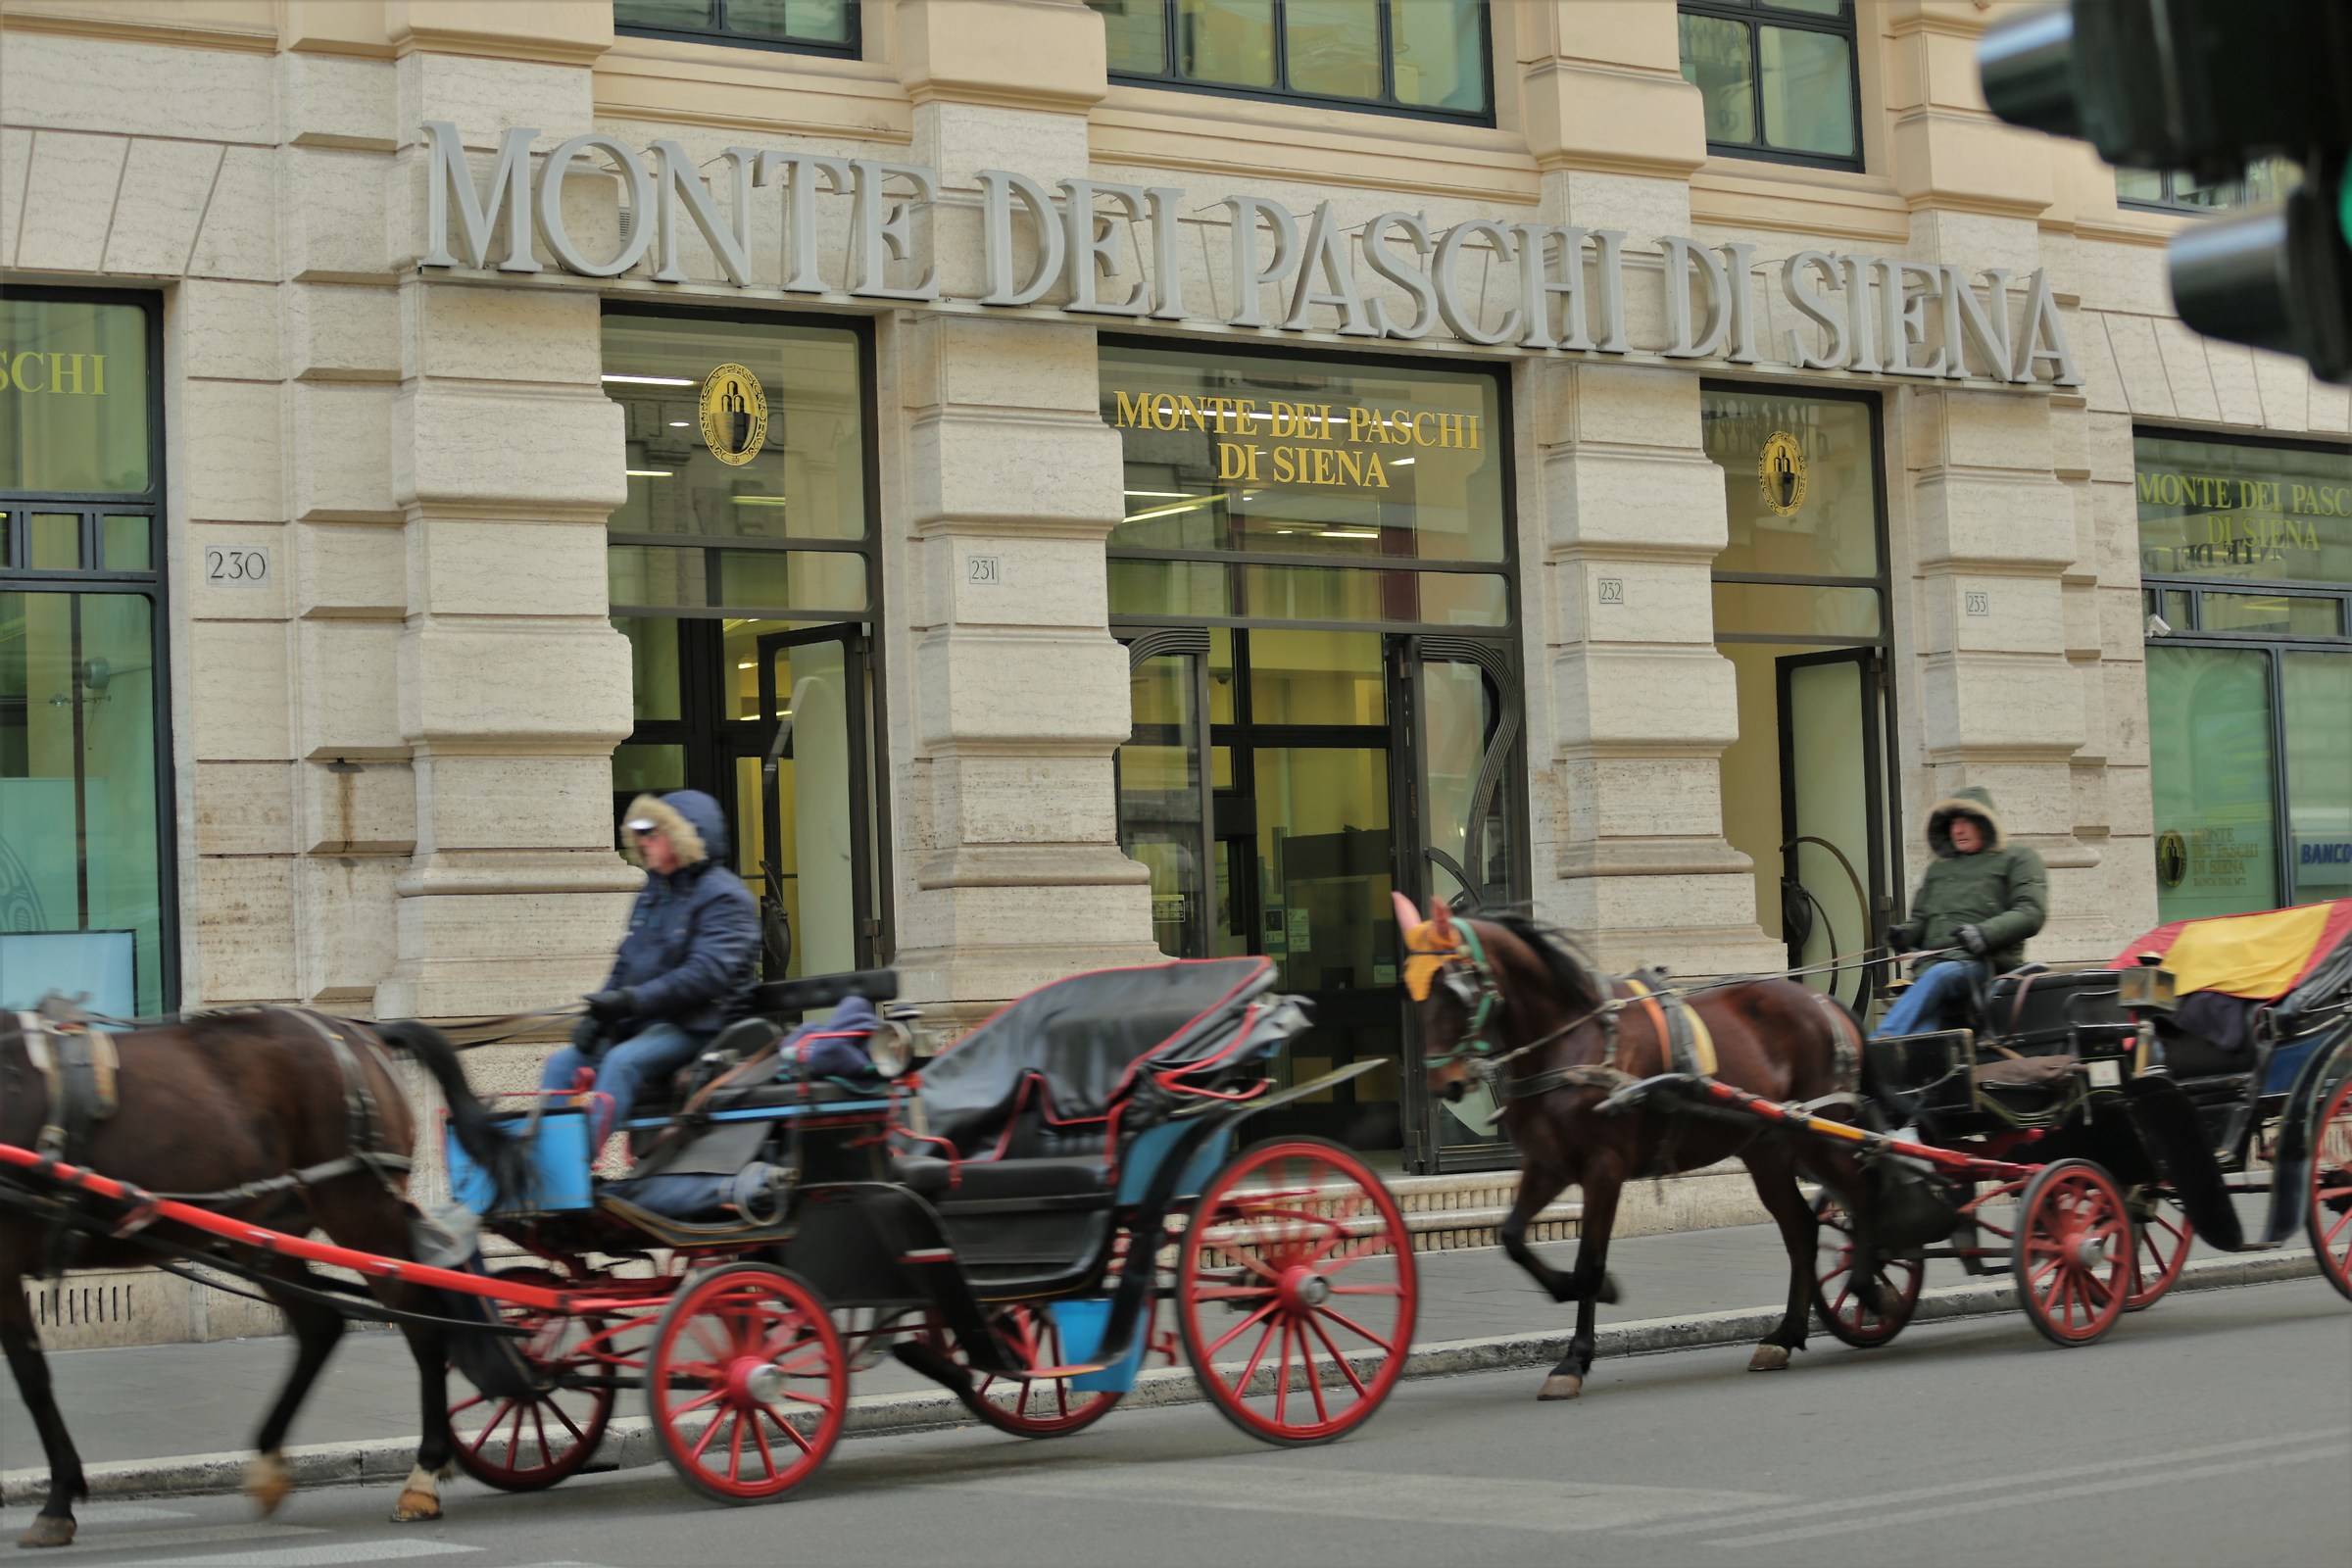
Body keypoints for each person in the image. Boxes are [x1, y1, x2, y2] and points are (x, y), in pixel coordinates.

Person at [540, 790, 760, 1139]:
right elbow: (627, 961)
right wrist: (599, 1014)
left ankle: (574, 1171)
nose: (643, 844)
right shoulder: (655, 890)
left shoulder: (725, 896)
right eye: (639, 835)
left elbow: (706, 974)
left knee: (621, 1062)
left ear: (682, 838)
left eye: (652, 834)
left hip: (700, 1025)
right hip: (649, 1020)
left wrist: (632, 1001)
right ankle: (546, 1160)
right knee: (562, 1064)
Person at [1874, 786, 2048, 1038]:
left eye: (1966, 821)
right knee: (1923, 1026)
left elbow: (2031, 911)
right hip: (1933, 968)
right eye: (1953, 823)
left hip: (1984, 963)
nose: (1957, 830)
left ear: (1985, 823)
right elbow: (1922, 919)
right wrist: (1906, 934)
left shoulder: (2019, 858)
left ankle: (1880, 1041)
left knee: (1937, 976)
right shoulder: (1939, 868)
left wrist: (1984, 934)